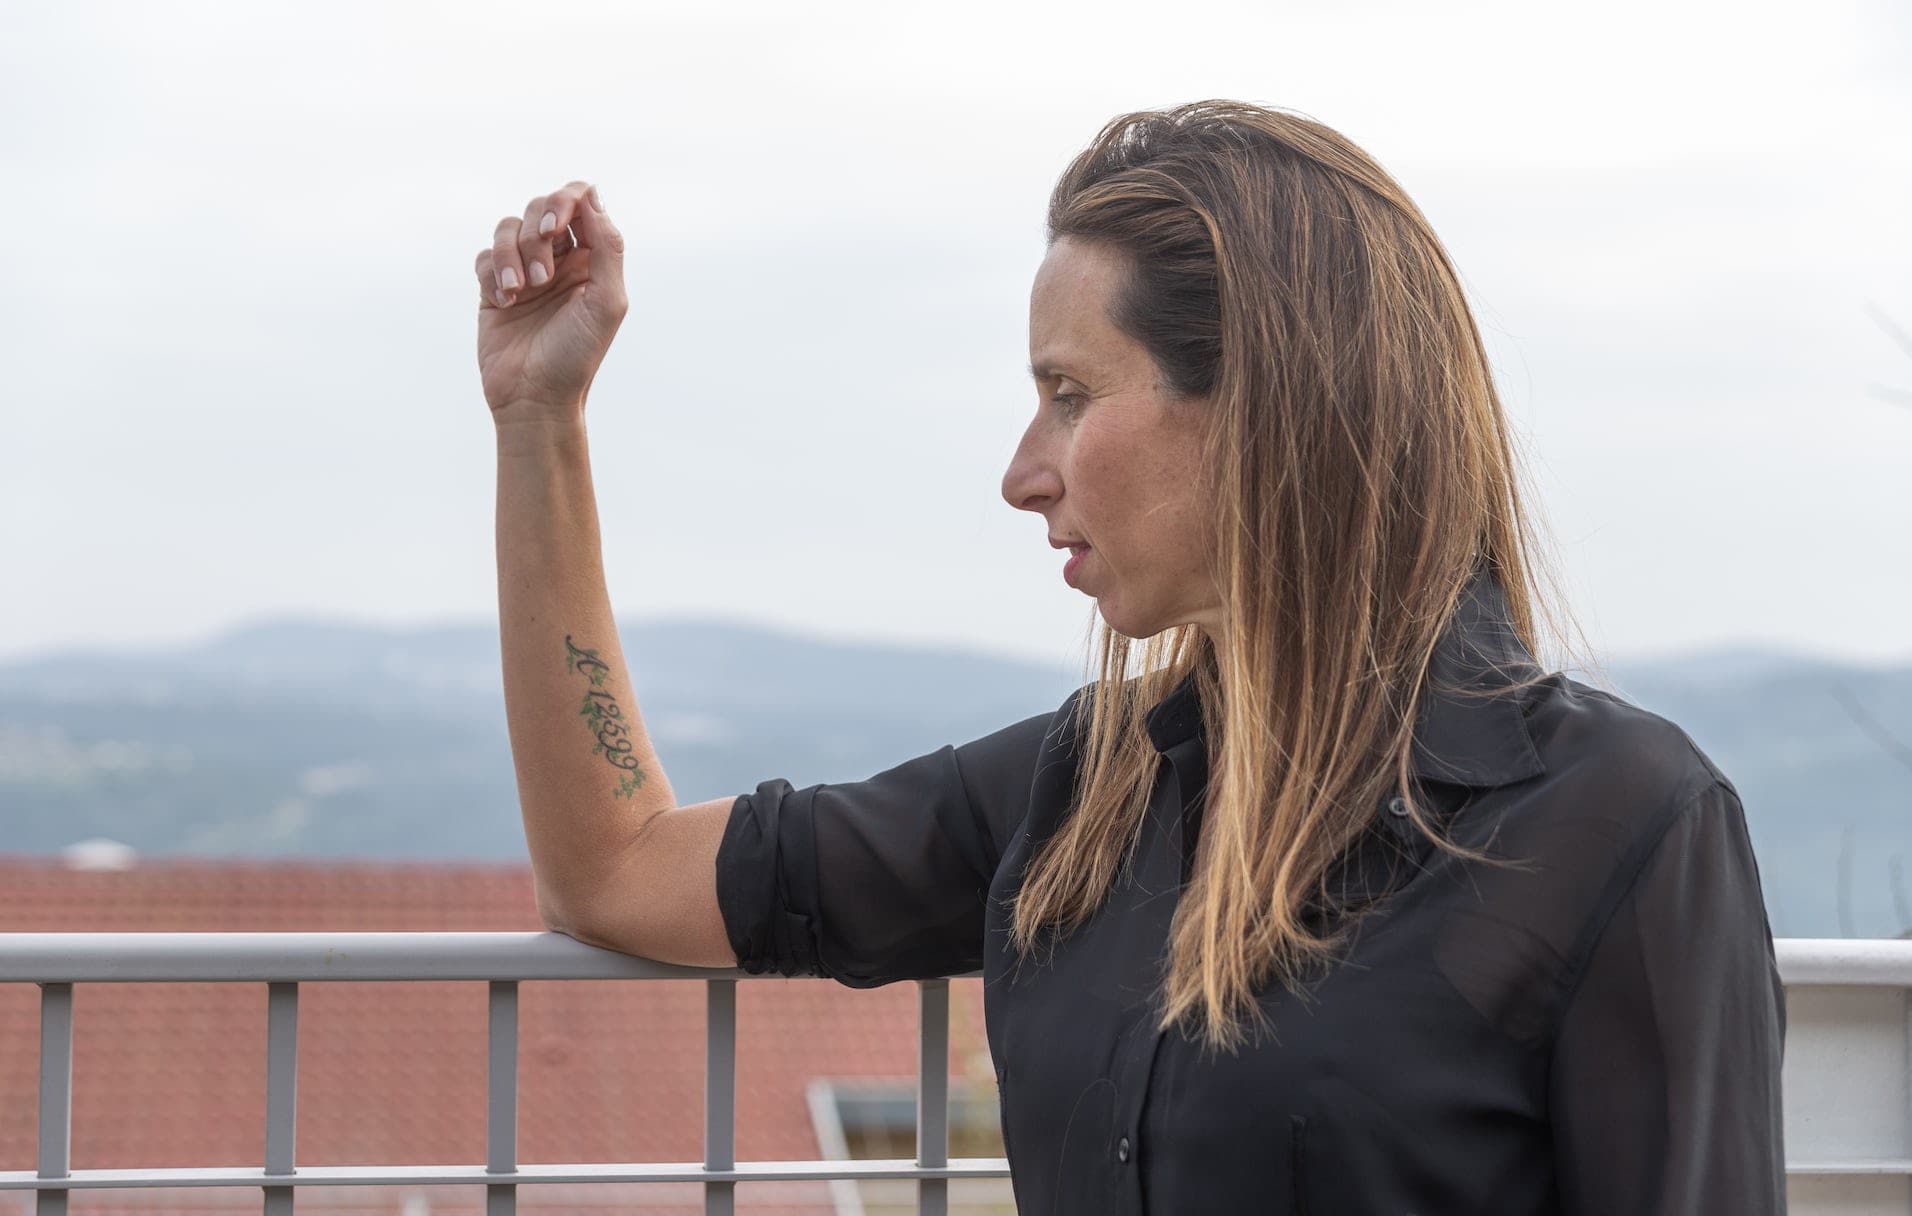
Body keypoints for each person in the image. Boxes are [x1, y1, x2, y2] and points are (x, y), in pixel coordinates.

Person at [472, 100, 1786, 1214]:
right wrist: (541, 419)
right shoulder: (1081, 792)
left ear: (1261, 408)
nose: (1021, 473)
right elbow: (619, 871)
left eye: (1072, 393)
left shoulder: (1623, 826)